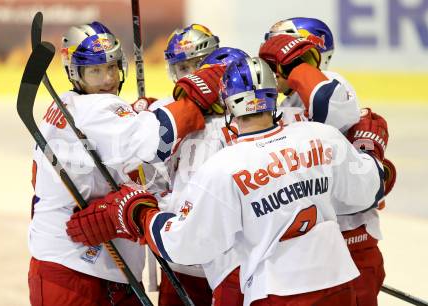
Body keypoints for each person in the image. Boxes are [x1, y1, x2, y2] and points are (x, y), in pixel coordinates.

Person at [66, 55, 388, 306]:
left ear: (227, 104)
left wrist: (138, 212)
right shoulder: (321, 137)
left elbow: (181, 244)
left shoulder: (224, 167)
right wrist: (369, 149)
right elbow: (372, 186)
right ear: (273, 97)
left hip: (276, 292)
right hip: (339, 283)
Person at [27, 21, 224, 306]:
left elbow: (129, 160)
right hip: (74, 270)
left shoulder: (68, 107)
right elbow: (158, 142)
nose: (107, 79)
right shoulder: (95, 109)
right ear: (74, 73)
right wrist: (195, 98)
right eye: (95, 71)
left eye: (111, 67)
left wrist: (138, 115)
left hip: (89, 265)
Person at [261, 17, 396, 306]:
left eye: (282, 47)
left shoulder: (332, 84)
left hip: (350, 239)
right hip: (306, 246)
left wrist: (297, 67)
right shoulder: (283, 103)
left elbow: (331, 114)